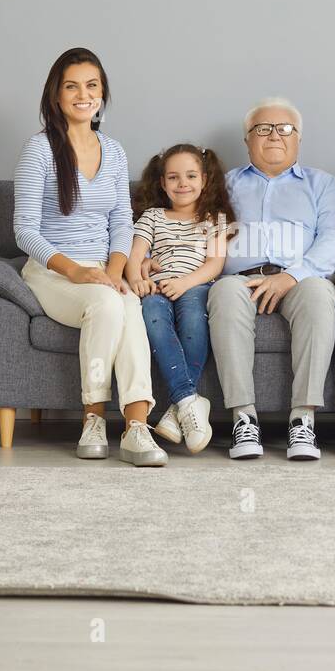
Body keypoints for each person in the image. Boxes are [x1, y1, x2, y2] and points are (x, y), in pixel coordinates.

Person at [12, 48, 165, 467]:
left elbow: (121, 220)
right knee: (105, 305)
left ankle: (136, 429)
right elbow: (24, 230)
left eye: (92, 85)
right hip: (53, 270)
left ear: (102, 94)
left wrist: (114, 272)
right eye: (72, 86)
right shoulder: (39, 150)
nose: (84, 94)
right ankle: (93, 417)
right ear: (56, 95)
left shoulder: (114, 151)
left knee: (129, 305)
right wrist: (76, 271)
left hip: (101, 268)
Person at [208, 97, 335, 460]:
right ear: (247, 141)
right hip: (239, 279)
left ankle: (303, 421)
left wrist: (292, 276)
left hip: (300, 278)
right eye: (262, 128)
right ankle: (244, 418)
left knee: (320, 294)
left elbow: (334, 239)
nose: (274, 135)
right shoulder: (223, 184)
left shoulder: (321, 184)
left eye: (284, 128)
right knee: (223, 293)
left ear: (298, 138)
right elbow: (206, 233)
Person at [126, 143, 236, 455]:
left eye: (190, 176)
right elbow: (135, 256)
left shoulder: (214, 218)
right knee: (152, 314)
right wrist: (137, 279)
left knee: (193, 320)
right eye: (173, 177)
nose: (182, 184)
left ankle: (177, 411)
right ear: (162, 183)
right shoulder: (152, 216)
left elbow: (215, 264)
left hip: (197, 284)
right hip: (158, 287)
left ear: (204, 179)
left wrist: (186, 282)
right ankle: (189, 399)